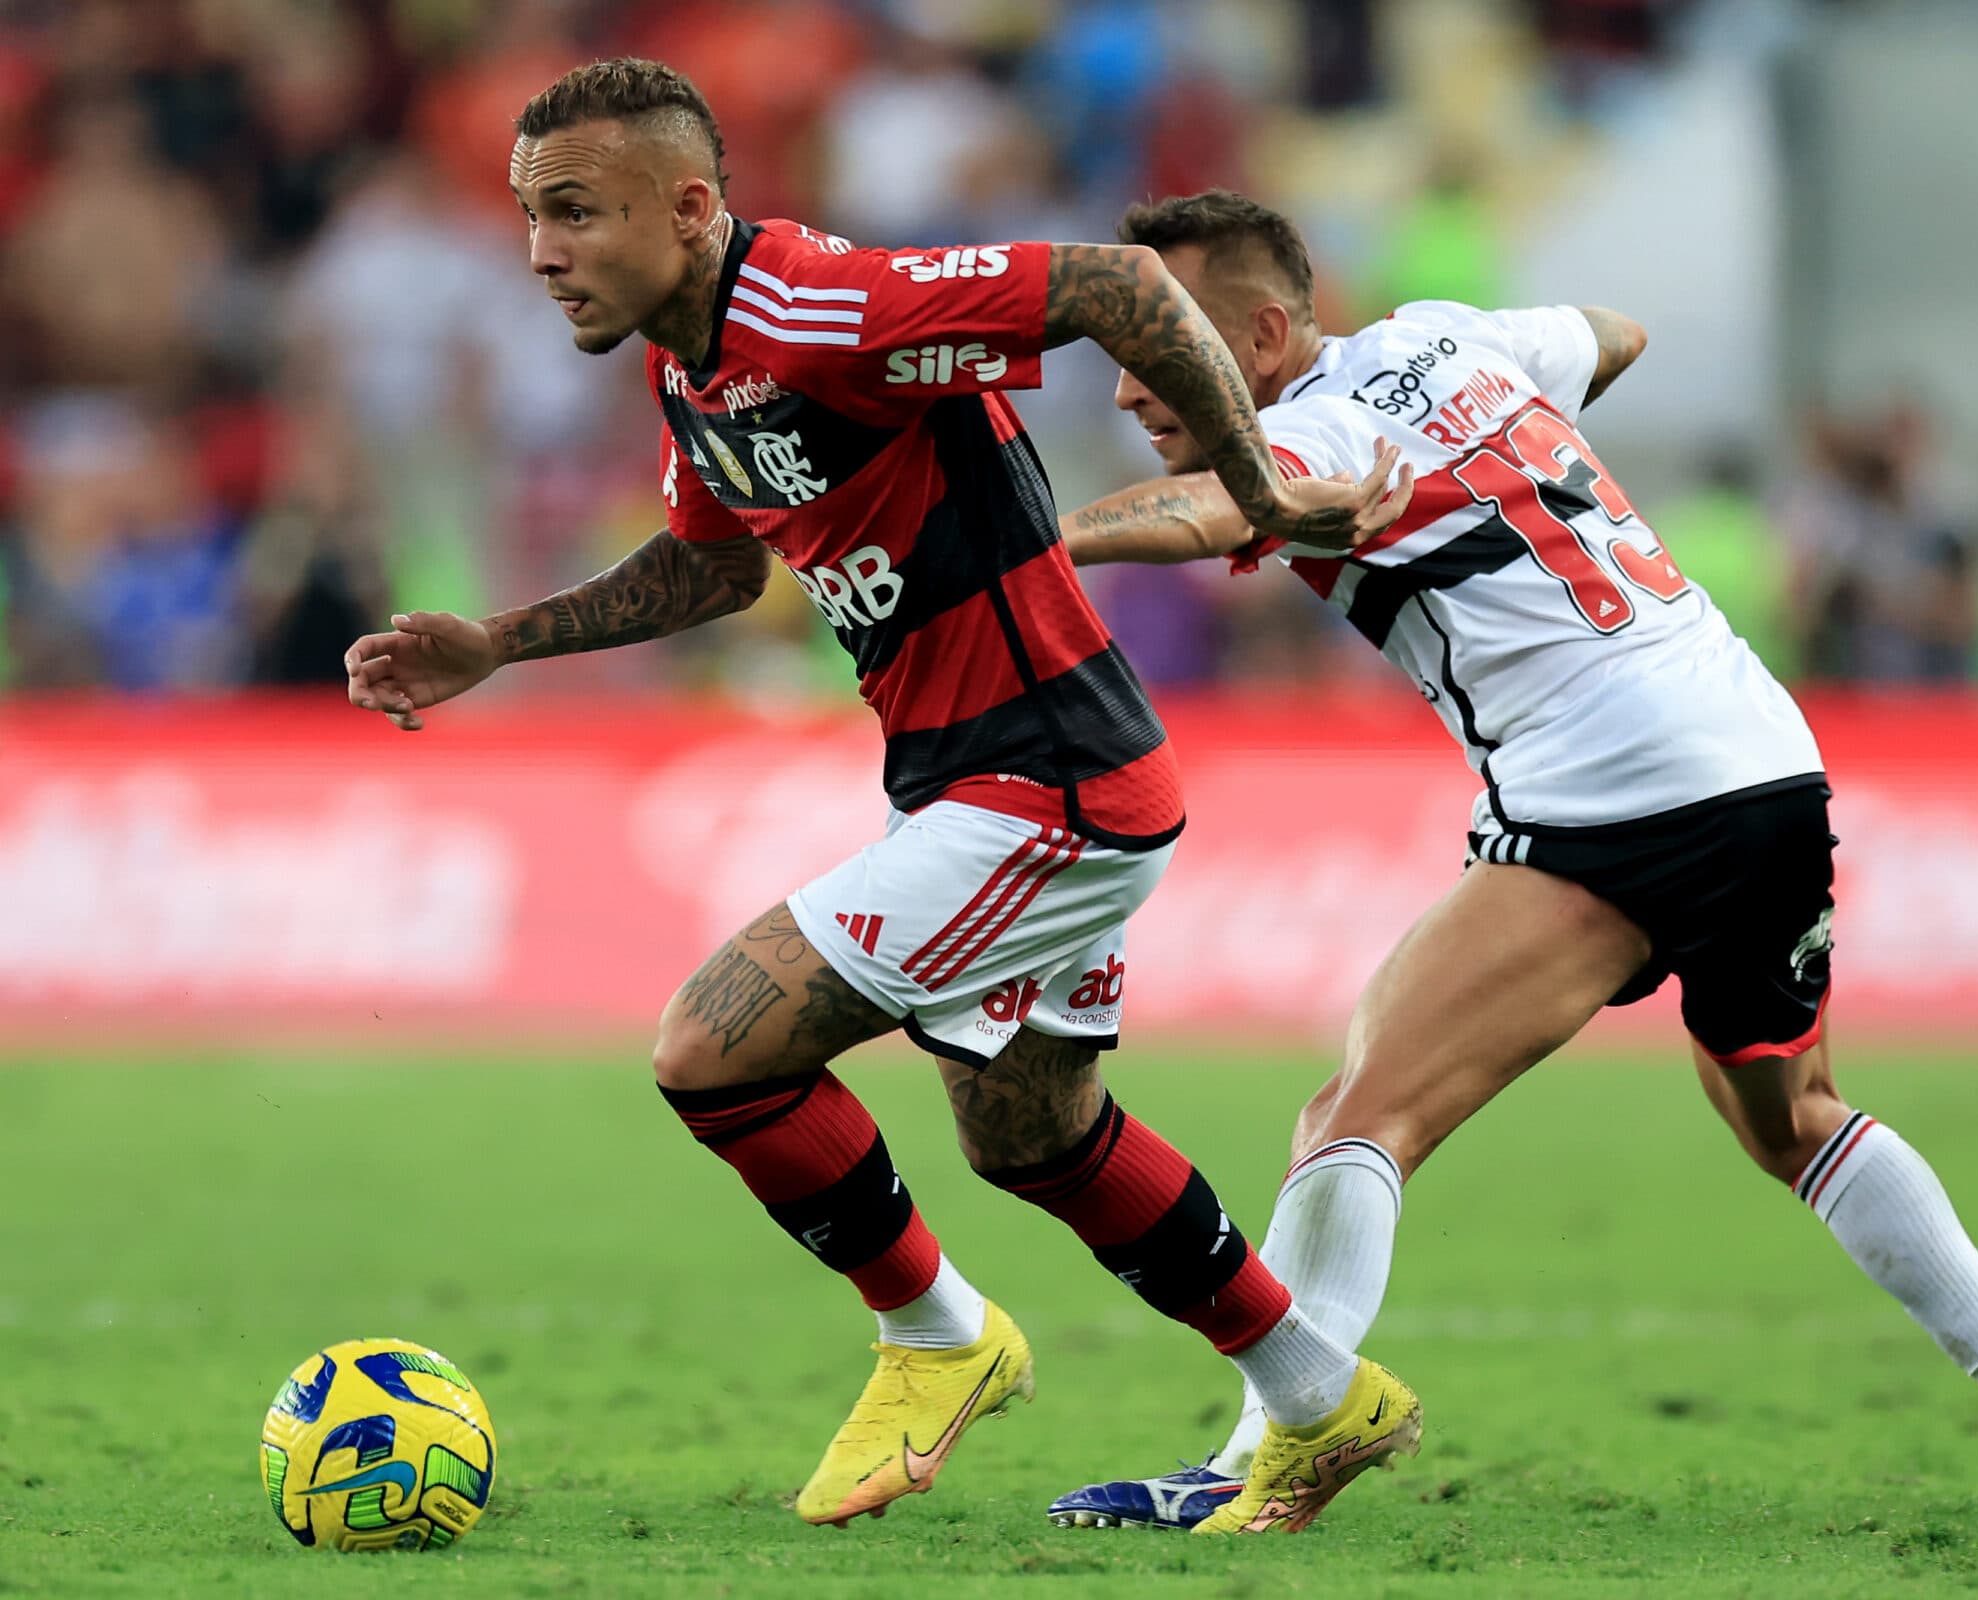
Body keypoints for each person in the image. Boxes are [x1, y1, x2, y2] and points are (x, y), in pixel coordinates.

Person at [340, 63, 1424, 1535]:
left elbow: (1112, 284)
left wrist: (1262, 484)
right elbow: (715, 567)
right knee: (1030, 1133)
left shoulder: (818, 312)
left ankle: (937, 1335)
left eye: (577, 212)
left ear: (693, 206)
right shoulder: (693, 359)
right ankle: (1319, 1394)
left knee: (712, 1050)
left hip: (1047, 781)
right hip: (991, 784)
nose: (542, 250)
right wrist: (500, 642)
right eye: (531, 216)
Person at [1041, 189, 1978, 1529]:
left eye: (1161, 346)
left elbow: (1210, 513)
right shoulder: (1447, 338)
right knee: (1789, 1114)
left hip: (1607, 793)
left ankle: (1265, 1456)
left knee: (1356, 1115)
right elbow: (1611, 334)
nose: (1130, 387)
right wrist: (1499, 423)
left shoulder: (1301, 431)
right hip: (1764, 758)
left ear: (1265, 334)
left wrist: (1036, 539)